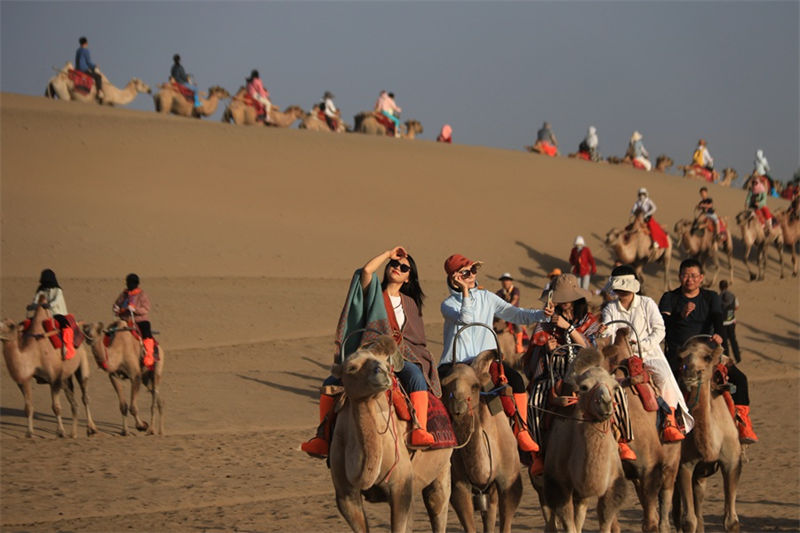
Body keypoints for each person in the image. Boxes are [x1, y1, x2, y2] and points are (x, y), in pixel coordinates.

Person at [301, 246, 440, 457]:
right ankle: (323, 436)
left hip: (402, 357)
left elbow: (416, 340)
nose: (397, 268)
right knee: (331, 382)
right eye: (394, 264)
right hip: (373, 353)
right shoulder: (373, 292)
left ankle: (419, 429)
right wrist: (388, 254)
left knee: (415, 377)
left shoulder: (411, 304)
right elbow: (366, 271)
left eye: (403, 267)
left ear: (408, 278)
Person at [439, 253, 553, 456]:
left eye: (474, 270)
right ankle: (438, 438)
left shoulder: (487, 297)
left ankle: (522, 430)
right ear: (454, 277)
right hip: (456, 362)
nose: (472, 274)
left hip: (485, 361)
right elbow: (465, 318)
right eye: (466, 272)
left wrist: (542, 314)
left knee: (516, 379)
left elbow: (516, 314)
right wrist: (465, 291)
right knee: (437, 391)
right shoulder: (448, 304)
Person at [523, 273, 634, 475]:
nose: (563, 302)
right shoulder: (544, 321)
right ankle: (537, 454)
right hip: (554, 371)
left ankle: (623, 440)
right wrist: (546, 349)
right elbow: (533, 351)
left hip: (585, 372)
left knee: (616, 392)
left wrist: (569, 328)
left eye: (567, 297)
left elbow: (589, 347)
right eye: (560, 298)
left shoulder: (588, 321)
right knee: (535, 398)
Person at [658, 259, 757, 444]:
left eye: (694, 276)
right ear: (680, 276)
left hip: (707, 353)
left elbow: (717, 318)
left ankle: (743, 424)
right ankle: (668, 424)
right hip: (679, 354)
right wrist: (681, 316)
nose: (690, 280)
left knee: (740, 379)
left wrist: (719, 334)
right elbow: (661, 325)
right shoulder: (669, 298)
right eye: (686, 275)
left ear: (701, 278)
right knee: (665, 384)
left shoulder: (711, 297)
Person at [601, 265, 693, 444]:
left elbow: (659, 330)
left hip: (649, 354)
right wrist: (603, 332)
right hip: (619, 357)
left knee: (665, 378)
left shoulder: (647, 303)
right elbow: (609, 332)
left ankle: (670, 420)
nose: (621, 291)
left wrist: (641, 346)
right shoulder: (610, 308)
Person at [113, 273, 156, 370]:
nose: (129, 285)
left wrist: (135, 309)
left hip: (139, 320)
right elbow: (117, 304)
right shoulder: (124, 295)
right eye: (128, 283)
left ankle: (149, 355)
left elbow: (146, 309)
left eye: (131, 283)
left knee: (146, 332)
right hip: (125, 320)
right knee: (111, 332)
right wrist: (116, 309)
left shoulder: (142, 295)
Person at [31, 269, 74, 359]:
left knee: (65, 326)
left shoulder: (57, 290)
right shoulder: (41, 290)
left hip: (57, 313)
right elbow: (36, 299)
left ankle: (67, 347)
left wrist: (49, 305)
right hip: (43, 313)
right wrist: (33, 306)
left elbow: (56, 301)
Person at [496, 272, 527, 353]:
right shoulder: (500, 292)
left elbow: (515, 299)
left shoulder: (515, 290)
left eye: (507, 280)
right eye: (503, 280)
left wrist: (507, 307)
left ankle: (519, 345)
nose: (505, 282)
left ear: (510, 281)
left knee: (517, 325)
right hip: (503, 314)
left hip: (513, 312)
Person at [74, 36, 103, 101]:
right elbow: (88, 62)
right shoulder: (86, 51)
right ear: (86, 43)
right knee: (98, 77)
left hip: (77, 69)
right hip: (83, 70)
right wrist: (95, 66)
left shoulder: (78, 50)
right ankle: (99, 93)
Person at [719, 280, 741, 364]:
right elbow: (736, 307)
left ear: (720, 287)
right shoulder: (732, 296)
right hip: (731, 321)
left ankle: (727, 359)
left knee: (725, 343)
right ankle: (738, 358)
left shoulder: (718, 297)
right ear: (727, 286)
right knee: (733, 340)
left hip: (723, 323)